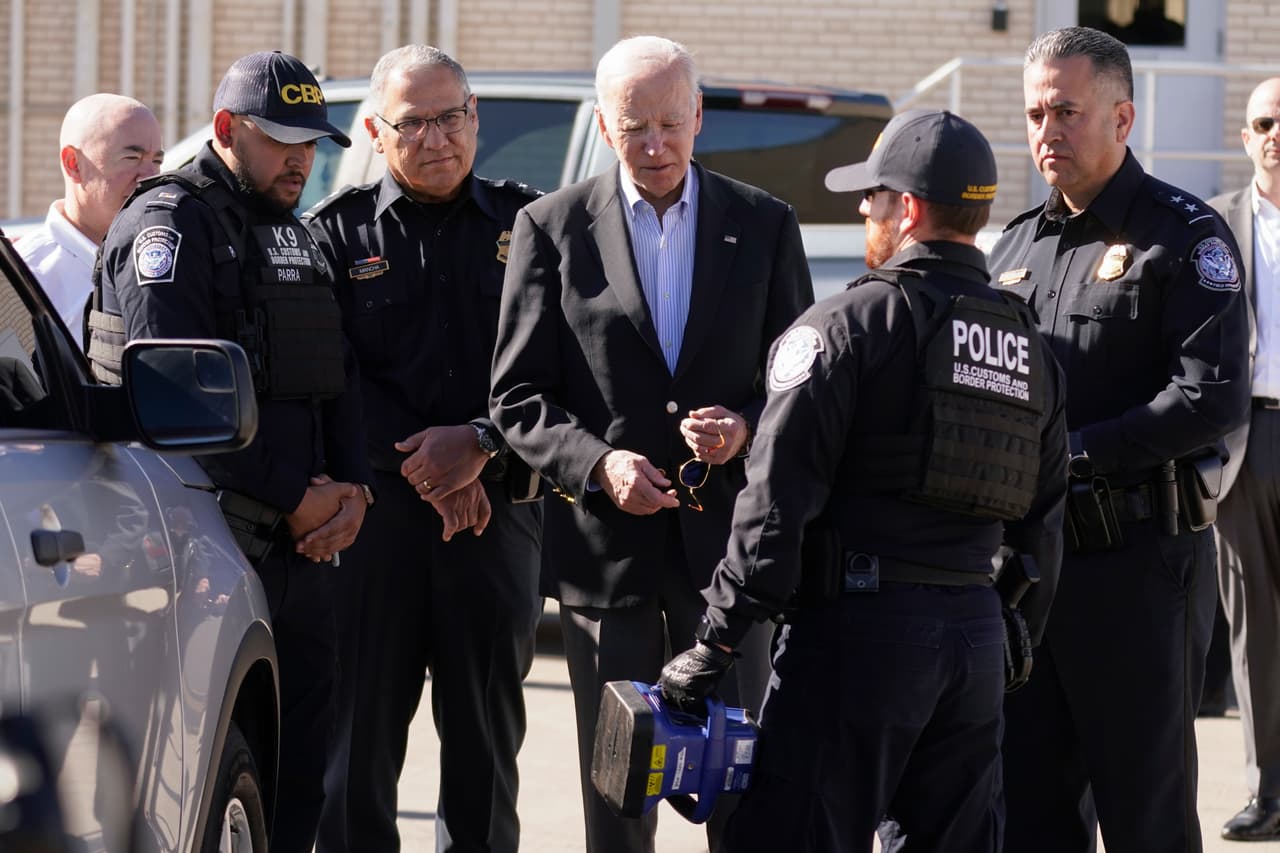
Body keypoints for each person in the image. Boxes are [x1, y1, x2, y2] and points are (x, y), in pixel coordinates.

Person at [659, 108, 1068, 853]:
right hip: (974, 642)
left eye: (872, 197)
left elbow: (774, 504)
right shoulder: (1026, 344)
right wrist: (1013, 626)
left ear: (906, 210)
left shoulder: (844, 327)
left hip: (859, 638)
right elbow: (1043, 516)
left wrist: (714, 641)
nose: (862, 210)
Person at [489, 34, 813, 853]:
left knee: (742, 792)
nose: (657, 144)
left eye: (672, 122)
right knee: (619, 801)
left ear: (699, 115)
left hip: (729, 567)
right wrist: (598, 464)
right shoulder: (550, 227)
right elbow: (517, 397)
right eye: (636, 127)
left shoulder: (765, 224)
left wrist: (744, 425)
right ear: (604, 126)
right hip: (610, 563)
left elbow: (797, 382)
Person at [88, 50, 374, 853]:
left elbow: (337, 371)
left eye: (312, 143)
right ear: (224, 131)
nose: (301, 159)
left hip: (305, 549)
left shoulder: (294, 231)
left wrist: (353, 489)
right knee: (215, 785)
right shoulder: (170, 224)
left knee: (299, 777)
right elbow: (170, 397)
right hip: (202, 543)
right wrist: (297, 495)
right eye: (282, 140)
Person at [989, 26, 1250, 852]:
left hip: (1139, 568)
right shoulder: (1016, 243)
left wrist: (1071, 453)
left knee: (1147, 813)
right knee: (1031, 809)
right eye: (1035, 112)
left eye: (1066, 110)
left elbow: (1209, 397)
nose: (1046, 131)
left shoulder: (1186, 235)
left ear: (1123, 116)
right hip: (1031, 574)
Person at [303, 45, 543, 853]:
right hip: (376, 527)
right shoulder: (335, 238)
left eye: (452, 117)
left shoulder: (531, 227)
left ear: (476, 117)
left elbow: (562, 369)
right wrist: (432, 470)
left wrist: (479, 446)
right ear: (375, 129)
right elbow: (326, 382)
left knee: (485, 757)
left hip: (495, 521)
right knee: (355, 753)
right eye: (413, 123)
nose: (437, 137)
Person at [1210, 76, 1280, 842]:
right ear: (1245, 135)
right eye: (1263, 121)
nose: (1274, 133)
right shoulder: (1217, 225)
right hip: (1246, 441)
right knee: (1254, 627)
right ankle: (1268, 791)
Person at [17, 93, 163, 348]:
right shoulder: (29, 277)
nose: (150, 177)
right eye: (132, 158)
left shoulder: (160, 261)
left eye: (157, 161)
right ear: (73, 163)